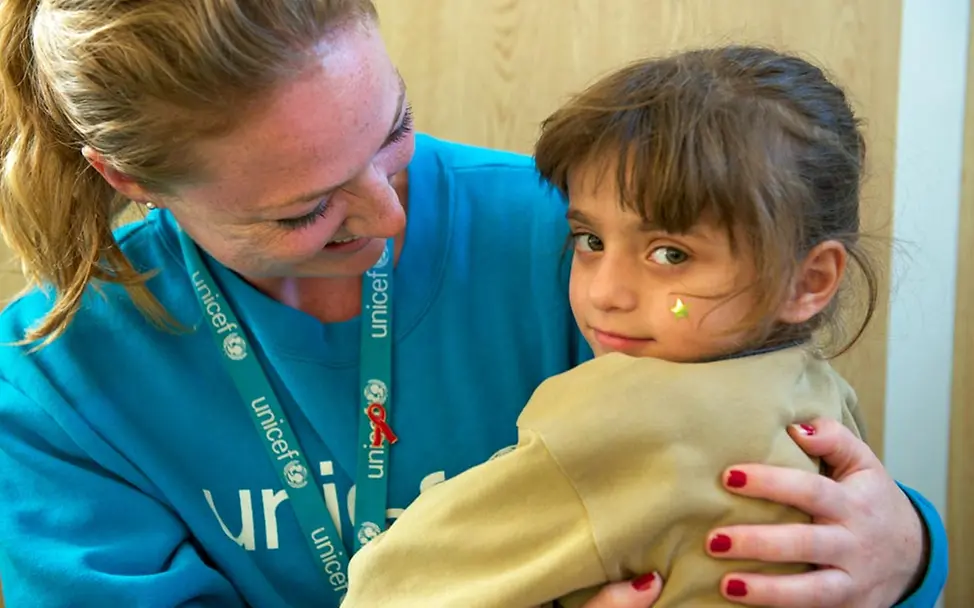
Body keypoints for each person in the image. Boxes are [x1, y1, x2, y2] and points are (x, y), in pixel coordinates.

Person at [0, 2, 946, 607]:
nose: (387, 210)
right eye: (305, 208)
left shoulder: (591, 236)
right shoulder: (51, 381)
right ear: (131, 181)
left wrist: (903, 554)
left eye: (394, 130)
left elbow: (767, 464)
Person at [340, 45, 885, 607]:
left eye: (671, 254)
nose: (605, 294)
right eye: (590, 242)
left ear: (809, 281)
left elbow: (392, 587)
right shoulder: (817, 392)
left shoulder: (625, 414)